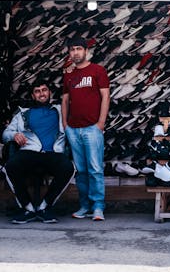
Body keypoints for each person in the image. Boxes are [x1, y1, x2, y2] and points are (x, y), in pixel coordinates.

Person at [3, 80, 75, 224]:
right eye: (37, 91)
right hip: (30, 151)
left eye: (44, 90)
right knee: (10, 167)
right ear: (33, 95)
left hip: (53, 152)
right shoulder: (23, 113)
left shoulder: (61, 110)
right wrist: (14, 135)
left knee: (69, 168)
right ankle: (27, 208)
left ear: (49, 93)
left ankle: (44, 207)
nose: (41, 93)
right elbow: (5, 134)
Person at [62, 37, 110, 221]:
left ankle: (98, 206)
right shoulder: (69, 75)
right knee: (81, 171)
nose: (75, 52)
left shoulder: (98, 70)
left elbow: (105, 97)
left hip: (92, 128)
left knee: (95, 169)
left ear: (86, 51)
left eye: (78, 49)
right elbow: (65, 100)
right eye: (72, 49)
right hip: (73, 129)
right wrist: (65, 125)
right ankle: (84, 206)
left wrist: (101, 123)